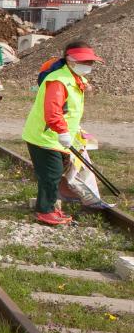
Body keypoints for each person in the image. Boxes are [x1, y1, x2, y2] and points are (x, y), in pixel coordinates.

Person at [21, 42, 103, 226]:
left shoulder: (73, 78)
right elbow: (52, 111)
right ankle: (45, 211)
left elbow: (69, 108)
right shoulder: (59, 81)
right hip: (45, 136)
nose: (88, 65)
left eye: (91, 62)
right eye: (85, 61)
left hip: (56, 136)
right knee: (51, 174)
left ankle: (50, 206)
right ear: (70, 61)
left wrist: (73, 130)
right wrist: (63, 130)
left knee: (55, 173)